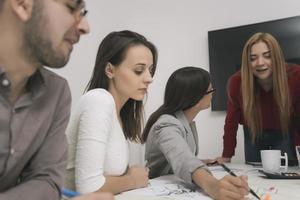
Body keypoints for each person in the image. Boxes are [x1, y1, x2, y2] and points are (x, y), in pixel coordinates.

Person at [0, 0, 112, 199]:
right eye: (71, 8)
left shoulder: (56, 93)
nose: (85, 27)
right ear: (22, 4)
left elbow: (47, 182)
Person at [66, 30, 158, 195]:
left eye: (150, 70)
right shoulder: (99, 100)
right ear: (110, 70)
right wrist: (133, 180)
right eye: (139, 70)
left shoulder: (118, 112)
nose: (149, 78)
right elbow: (89, 188)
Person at [143, 67, 249, 200]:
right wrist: (213, 186)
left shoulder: (185, 122)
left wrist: (202, 162)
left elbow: (179, 157)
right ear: (197, 98)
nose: (213, 94)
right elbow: (183, 159)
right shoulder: (166, 125)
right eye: (211, 90)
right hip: (157, 191)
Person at [215, 32, 300, 165]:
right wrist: (227, 155)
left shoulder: (296, 76)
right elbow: (231, 122)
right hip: (254, 132)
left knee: (287, 172)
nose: (260, 63)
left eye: (267, 56)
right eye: (253, 58)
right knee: (256, 174)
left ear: (276, 57)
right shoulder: (237, 82)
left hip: (285, 130)